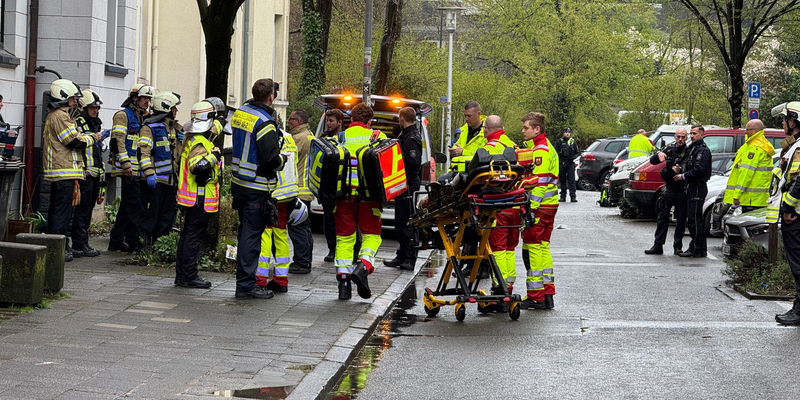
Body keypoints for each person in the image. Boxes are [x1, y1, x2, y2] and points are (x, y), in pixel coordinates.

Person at [230, 78, 286, 299]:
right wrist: (283, 160)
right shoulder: (265, 123)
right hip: (256, 186)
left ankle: (244, 283)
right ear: (271, 97)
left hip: (239, 183)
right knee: (251, 238)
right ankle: (246, 286)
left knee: (245, 233)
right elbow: (271, 159)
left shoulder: (242, 112)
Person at [42, 79, 103, 262]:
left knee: (61, 210)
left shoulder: (59, 115)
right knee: (62, 212)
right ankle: (58, 248)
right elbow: (73, 141)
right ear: (63, 97)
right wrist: (93, 138)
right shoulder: (60, 116)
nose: (76, 101)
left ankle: (61, 246)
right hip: (63, 170)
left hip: (64, 170)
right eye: (73, 98)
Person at [334, 103, 386, 300]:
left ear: (351, 119)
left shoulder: (340, 138)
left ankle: (344, 284)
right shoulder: (377, 137)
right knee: (372, 235)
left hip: (344, 196)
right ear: (369, 121)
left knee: (344, 238)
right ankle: (363, 266)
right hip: (369, 197)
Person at [174, 101, 222, 289]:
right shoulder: (200, 142)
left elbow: (213, 129)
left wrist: (220, 120)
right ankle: (189, 275)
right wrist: (214, 157)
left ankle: (182, 275)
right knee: (193, 239)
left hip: (192, 198)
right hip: (199, 199)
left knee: (187, 236)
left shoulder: (193, 138)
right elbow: (197, 167)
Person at [518, 112, 559, 310]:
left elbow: (540, 184)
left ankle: (536, 296)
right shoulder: (546, 147)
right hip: (549, 205)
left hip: (540, 207)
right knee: (542, 247)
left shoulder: (540, 150)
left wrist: (530, 210)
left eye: (526, 127)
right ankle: (547, 292)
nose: (522, 131)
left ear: (537, 129)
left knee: (533, 248)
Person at [108, 83, 156, 252]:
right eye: (144, 98)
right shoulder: (123, 115)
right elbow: (118, 141)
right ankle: (133, 240)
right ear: (134, 98)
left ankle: (116, 239)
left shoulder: (142, 117)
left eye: (149, 99)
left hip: (136, 169)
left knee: (128, 205)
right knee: (133, 205)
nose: (147, 102)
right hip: (128, 168)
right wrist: (126, 164)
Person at [256, 127, 299, 293]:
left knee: (265, 234)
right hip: (288, 192)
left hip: (273, 192)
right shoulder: (289, 137)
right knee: (281, 234)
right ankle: (281, 279)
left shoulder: (268, 136)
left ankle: (260, 279)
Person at [482, 115, 519, 302]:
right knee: (510, 248)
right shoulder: (512, 145)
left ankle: (500, 288)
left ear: (487, 129)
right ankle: (509, 286)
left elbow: (481, 176)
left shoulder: (489, 148)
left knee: (498, 247)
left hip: (498, 205)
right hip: (516, 204)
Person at [138, 91, 183, 246]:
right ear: (166, 108)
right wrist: (149, 173)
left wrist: (182, 141)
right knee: (150, 215)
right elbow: (144, 153)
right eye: (174, 107)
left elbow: (176, 154)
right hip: (154, 182)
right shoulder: (149, 128)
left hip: (170, 181)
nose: (176, 110)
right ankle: (144, 246)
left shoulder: (172, 128)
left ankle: (159, 245)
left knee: (167, 217)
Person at [770, 102, 800, 325]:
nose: (782, 123)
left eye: (785, 119)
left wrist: (788, 208)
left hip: (796, 216)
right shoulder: (793, 145)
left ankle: (799, 311)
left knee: (798, 265)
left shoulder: (798, 148)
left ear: (794, 121)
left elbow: (798, 181)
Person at [384, 107, 422, 271]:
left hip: (409, 183)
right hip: (401, 183)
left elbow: (414, 163)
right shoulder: (404, 134)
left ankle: (409, 258)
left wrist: (397, 152)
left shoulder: (411, 137)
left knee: (408, 221)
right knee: (400, 222)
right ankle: (401, 255)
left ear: (402, 118)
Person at [72, 89, 106, 258]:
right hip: (84, 173)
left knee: (88, 209)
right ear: (84, 107)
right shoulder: (78, 122)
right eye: (93, 107)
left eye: (97, 108)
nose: (96, 110)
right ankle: (79, 243)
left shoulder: (95, 123)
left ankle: (83, 242)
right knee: (82, 210)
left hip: (94, 173)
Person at [645, 128, 689, 255]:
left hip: (682, 189)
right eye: (678, 136)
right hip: (669, 188)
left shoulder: (688, 151)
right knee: (662, 217)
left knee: (681, 219)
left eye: (683, 137)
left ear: (686, 138)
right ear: (675, 137)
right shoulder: (670, 149)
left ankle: (677, 247)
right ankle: (658, 245)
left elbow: (691, 168)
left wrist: (681, 170)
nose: (680, 139)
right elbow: (653, 161)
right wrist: (658, 154)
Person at [674, 125, 712, 258]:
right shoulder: (693, 148)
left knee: (694, 219)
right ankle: (700, 249)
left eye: (694, 133)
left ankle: (695, 248)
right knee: (695, 219)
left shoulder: (702, 150)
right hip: (692, 186)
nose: (691, 136)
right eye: (690, 133)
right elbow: (688, 163)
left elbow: (699, 169)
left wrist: (683, 176)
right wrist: (680, 169)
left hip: (697, 186)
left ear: (702, 134)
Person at [723, 119, 774, 212]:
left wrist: (737, 194)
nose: (745, 132)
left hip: (751, 199)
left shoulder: (754, 148)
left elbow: (746, 173)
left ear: (755, 131)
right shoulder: (761, 145)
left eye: (748, 129)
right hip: (758, 199)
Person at [287, 108, 315, 274]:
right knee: (305, 228)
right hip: (307, 190)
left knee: (297, 229)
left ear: (298, 121)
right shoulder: (310, 135)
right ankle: (305, 260)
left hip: (298, 190)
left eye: (291, 119)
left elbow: (288, 160)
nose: (288, 121)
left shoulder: (298, 138)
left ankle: (301, 262)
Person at [449, 101, 487, 171]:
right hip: (459, 171)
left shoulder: (487, 131)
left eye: (469, 116)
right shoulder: (464, 130)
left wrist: (463, 152)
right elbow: (457, 145)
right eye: (465, 116)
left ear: (478, 114)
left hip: (477, 172)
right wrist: (453, 151)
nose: (466, 119)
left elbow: (484, 155)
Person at [556, 127, 579, 202]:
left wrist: (573, 157)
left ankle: (573, 197)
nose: (567, 134)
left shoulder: (572, 141)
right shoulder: (559, 141)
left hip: (570, 163)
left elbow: (577, 152)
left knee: (571, 180)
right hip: (562, 162)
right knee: (562, 180)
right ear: (563, 133)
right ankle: (563, 196)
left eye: (568, 132)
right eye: (566, 132)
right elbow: (555, 152)